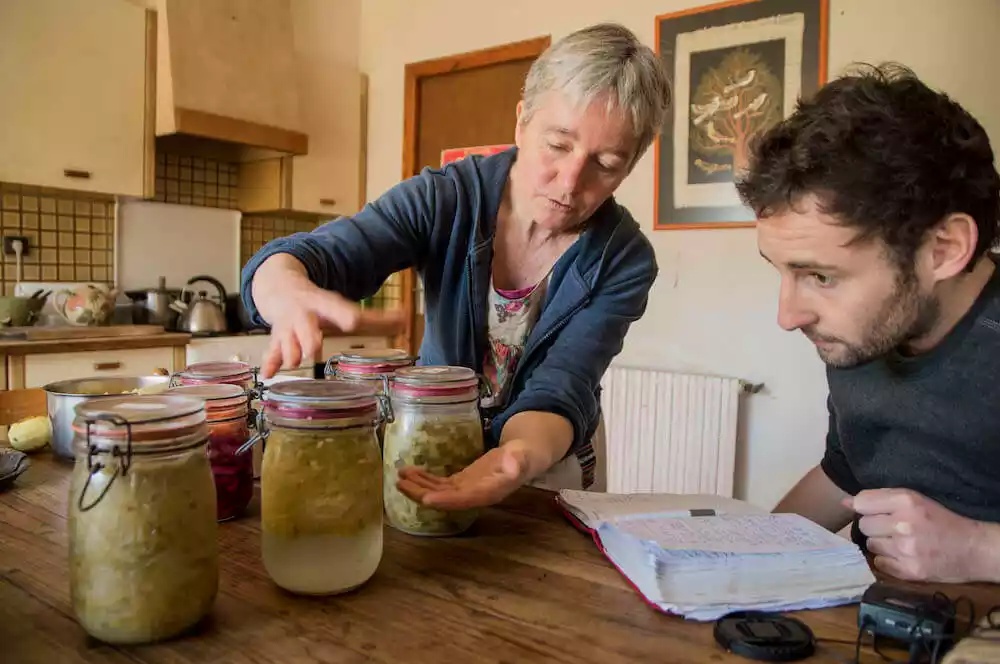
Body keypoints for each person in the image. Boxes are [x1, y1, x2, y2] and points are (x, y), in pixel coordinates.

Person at [240, 23, 671, 510]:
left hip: (546, 455)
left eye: (606, 164)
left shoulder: (624, 259)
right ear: (522, 122)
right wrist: (281, 285)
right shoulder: (444, 198)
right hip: (434, 442)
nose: (571, 182)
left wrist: (517, 456)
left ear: (629, 167)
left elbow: (563, 383)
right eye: (557, 144)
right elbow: (324, 253)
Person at [736, 63, 1000, 584]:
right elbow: (848, 470)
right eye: (784, 272)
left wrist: (978, 550)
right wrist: (743, 557)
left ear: (944, 250)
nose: (788, 316)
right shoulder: (859, 335)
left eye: (821, 276)